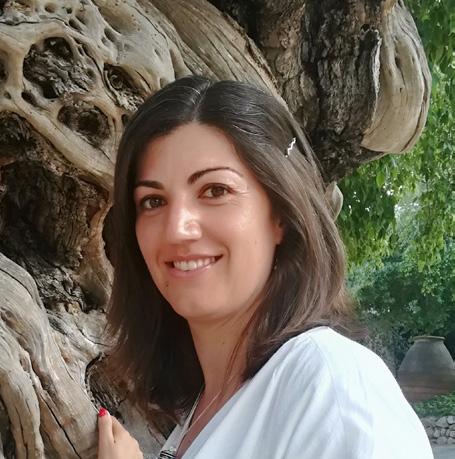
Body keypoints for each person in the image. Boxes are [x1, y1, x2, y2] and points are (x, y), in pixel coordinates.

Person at [97, 75, 434, 459]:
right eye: (153, 201)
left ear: (281, 216)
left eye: (215, 191)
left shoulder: (332, 387)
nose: (177, 228)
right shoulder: (204, 407)